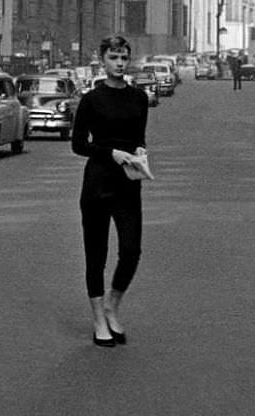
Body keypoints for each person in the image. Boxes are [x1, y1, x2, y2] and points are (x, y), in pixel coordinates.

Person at [71, 34, 149, 347]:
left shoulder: (139, 98)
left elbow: (139, 137)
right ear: (102, 61)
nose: (119, 64)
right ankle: (98, 319)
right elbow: (79, 145)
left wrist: (140, 155)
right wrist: (111, 153)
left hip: (128, 184)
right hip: (98, 183)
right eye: (113, 58)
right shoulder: (91, 100)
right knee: (97, 254)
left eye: (123, 58)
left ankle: (112, 306)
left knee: (131, 251)